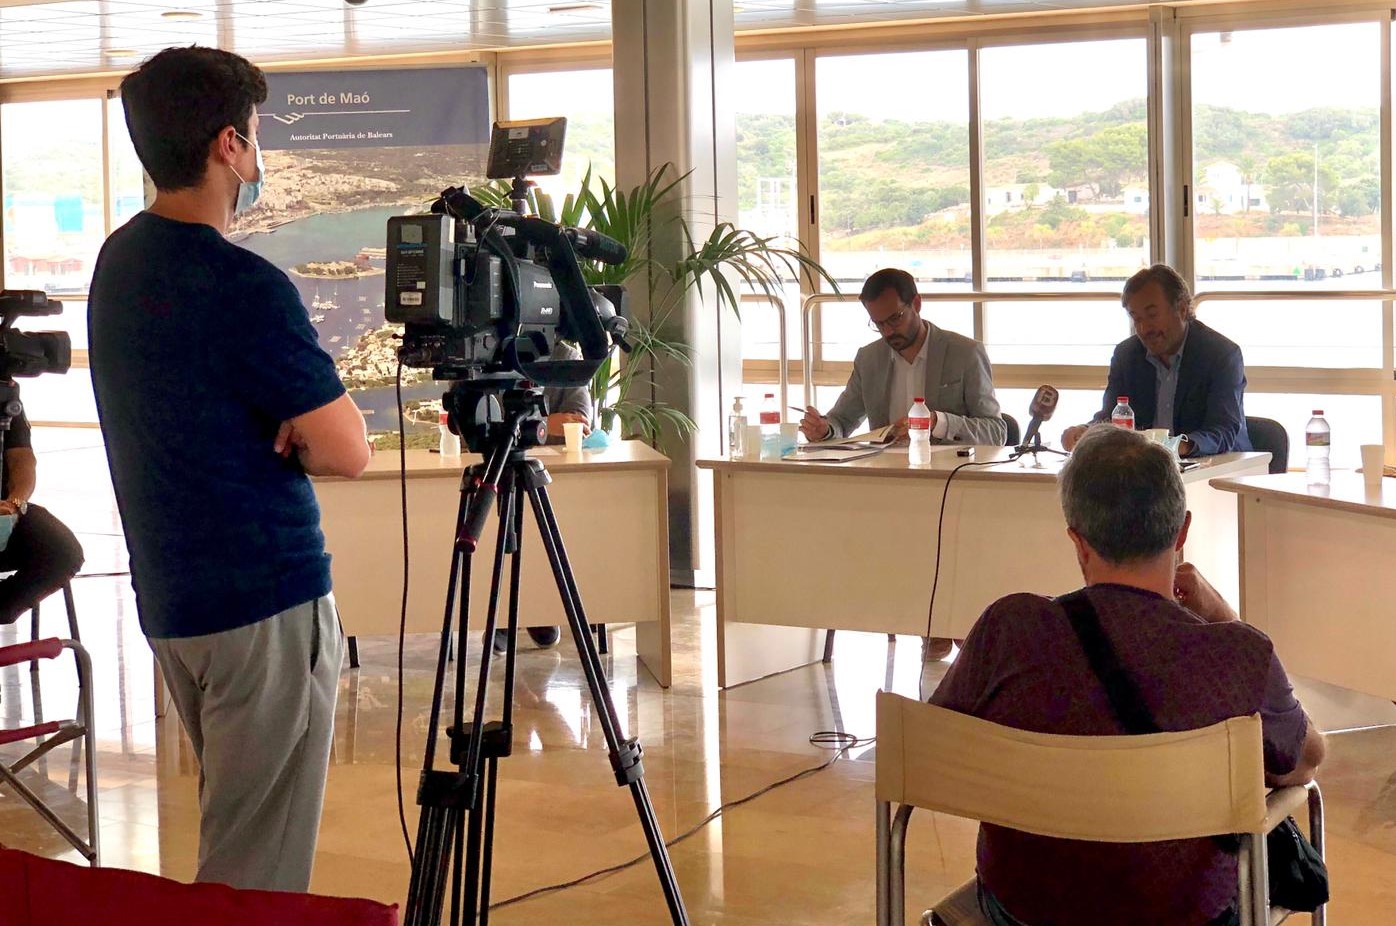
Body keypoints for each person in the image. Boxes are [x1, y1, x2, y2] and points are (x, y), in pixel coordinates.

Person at [88, 47, 371, 893]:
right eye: (253, 137)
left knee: (237, 825)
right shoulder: (243, 283)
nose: (257, 155)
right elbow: (347, 449)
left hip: (175, 601)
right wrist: (294, 426)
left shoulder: (118, 263)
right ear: (228, 148)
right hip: (264, 599)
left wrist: (296, 424)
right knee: (258, 868)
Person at [931, 424, 1325, 926]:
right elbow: (1305, 764)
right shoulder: (1237, 653)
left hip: (1025, 906)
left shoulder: (1009, 629)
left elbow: (938, 751)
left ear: (1077, 540)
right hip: (1185, 911)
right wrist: (1226, 616)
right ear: (1182, 532)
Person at [799, 268, 1006, 447]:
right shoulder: (869, 358)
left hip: (948, 477)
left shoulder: (965, 353)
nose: (888, 331)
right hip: (886, 477)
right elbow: (841, 421)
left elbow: (996, 432)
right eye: (878, 324)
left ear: (916, 304)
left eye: (895, 319)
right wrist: (824, 430)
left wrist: (938, 423)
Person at [1061, 264, 1250, 457]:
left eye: (1152, 315)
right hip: (1149, 469)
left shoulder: (1221, 354)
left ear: (1183, 309)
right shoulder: (1127, 354)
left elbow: (1223, 430)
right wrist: (1086, 432)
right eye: (1136, 318)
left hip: (1218, 467)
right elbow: (1113, 417)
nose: (1143, 329)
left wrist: (1180, 446)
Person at [489, 357, 594, 654]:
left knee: (547, 531)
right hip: (494, 468)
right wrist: (547, 423)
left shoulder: (564, 354)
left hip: (550, 477)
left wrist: (516, 425)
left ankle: (541, 607)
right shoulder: (487, 351)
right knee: (499, 528)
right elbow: (479, 422)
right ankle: (500, 617)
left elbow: (580, 420)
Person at [0, 396, 84, 625]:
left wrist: (14, 504)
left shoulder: (4, 392)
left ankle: (3, 607)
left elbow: (22, 459)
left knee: (61, 549)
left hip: (3, 512)